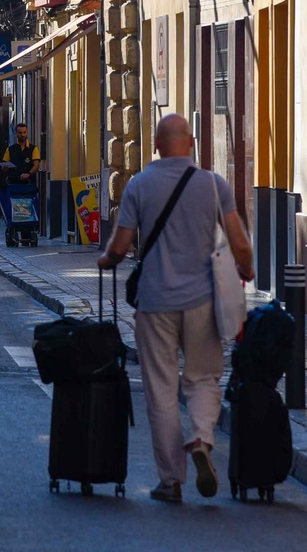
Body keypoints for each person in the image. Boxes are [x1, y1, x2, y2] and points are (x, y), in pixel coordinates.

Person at [97, 113, 254, 502]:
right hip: (203, 301)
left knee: (161, 391)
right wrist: (246, 271)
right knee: (203, 378)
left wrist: (104, 262)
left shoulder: (138, 185)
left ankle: (171, 480)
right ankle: (201, 437)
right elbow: (241, 245)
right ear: (192, 143)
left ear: (155, 144)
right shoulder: (214, 185)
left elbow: (119, 247)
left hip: (154, 303)